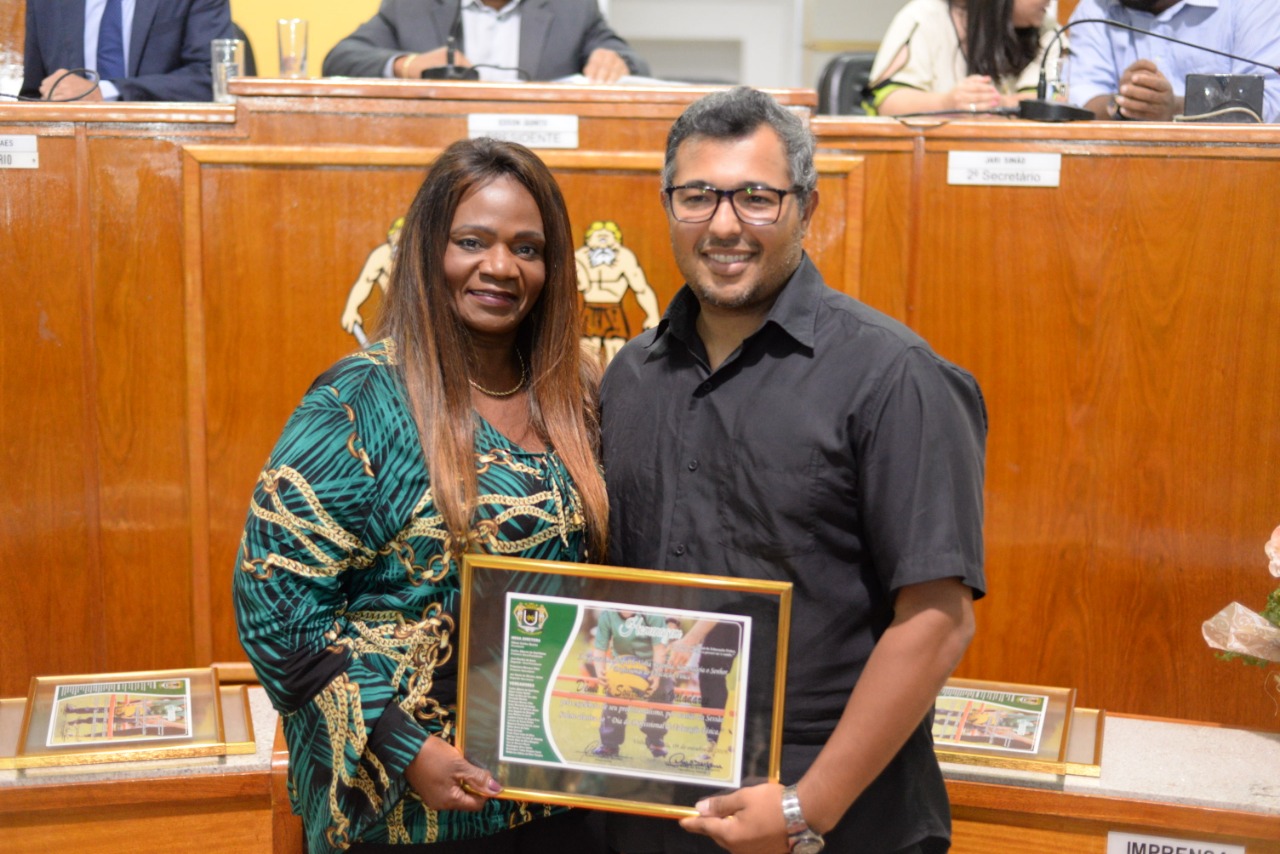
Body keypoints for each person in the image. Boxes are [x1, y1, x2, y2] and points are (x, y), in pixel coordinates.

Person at [599, 87, 987, 853]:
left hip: (830, 823)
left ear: (806, 207)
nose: (724, 225)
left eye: (756, 198)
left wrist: (808, 807)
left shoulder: (895, 376)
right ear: (668, 205)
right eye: (698, 196)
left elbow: (938, 617)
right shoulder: (629, 376)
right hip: (654, 808)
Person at [233, 137, 610, 854]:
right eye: (472, 241)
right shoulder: (361, 401)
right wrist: (407, 748)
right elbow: (273, 603)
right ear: (428, 249)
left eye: (527, 249)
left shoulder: (579, 396)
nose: (501, 266)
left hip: (556, 797)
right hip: (405, 812)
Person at [323, 0, 650, 84]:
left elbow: (630, 60)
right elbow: (340, 58)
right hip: (442, 164)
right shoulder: (414, 6)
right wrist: (408, 65)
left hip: (537, 166)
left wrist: (615, 61)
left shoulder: (572, 8)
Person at [1065, 0, 1280, 121]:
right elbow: (1077, 102)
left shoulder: (1253, 5)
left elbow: (1271, 102)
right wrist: (1125, 104)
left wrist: (1176, 108)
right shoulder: (1095, 8)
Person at [866, 0, 1059, 115]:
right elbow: (888, 103)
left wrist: (1001, 104)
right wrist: (946, 104)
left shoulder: (1049, 31)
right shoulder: (924, 16)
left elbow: (1057, 100)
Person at [20, 0, 233, 102]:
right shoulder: (46, 4)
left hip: (169, 148)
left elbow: (213, 80)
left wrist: (104, 92)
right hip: (70, 154)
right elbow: (32, 94)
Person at [589, 610, 673, 760]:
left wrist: (657, 674)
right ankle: (609, 744)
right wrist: (600, 671)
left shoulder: (653, 614)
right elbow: (600, 647)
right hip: (623, 664)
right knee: (614, 701)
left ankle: (654, 737)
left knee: (665, 693)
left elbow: (659, 648)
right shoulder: (608, 615)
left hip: (653, 663)